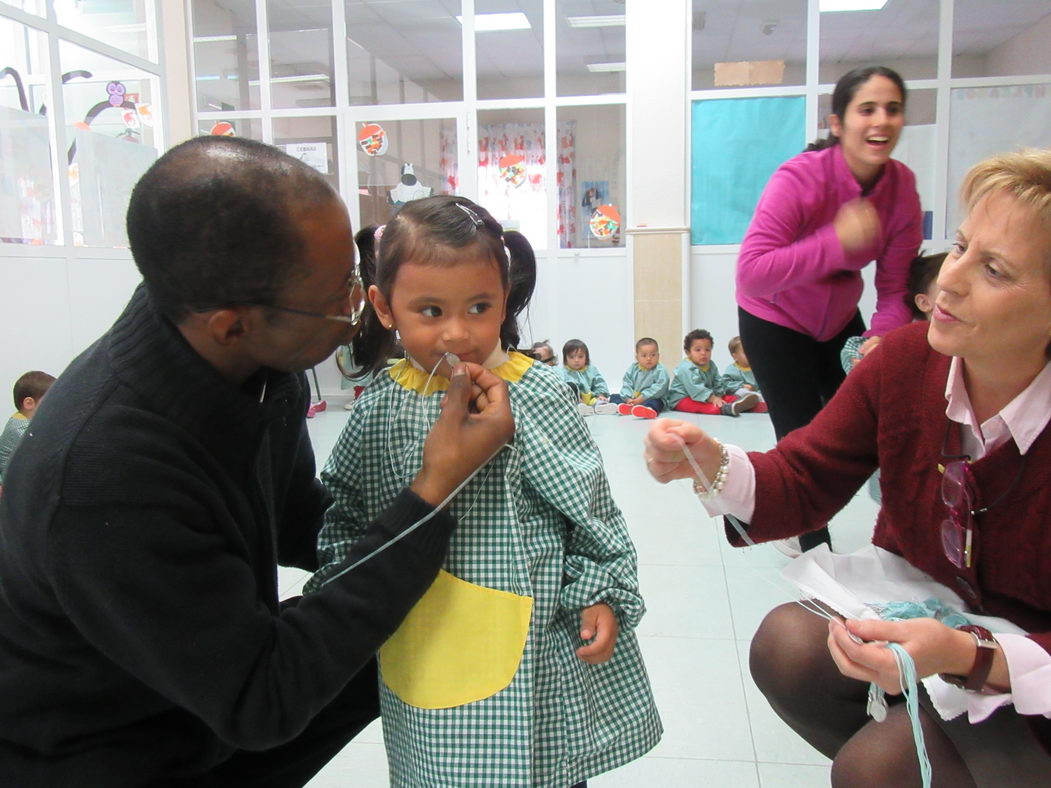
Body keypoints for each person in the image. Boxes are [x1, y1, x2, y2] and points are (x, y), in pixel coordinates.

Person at [0, 136, 514, 786]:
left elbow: (303, 517)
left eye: (356, 276)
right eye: (339, 297)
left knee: (422, 624)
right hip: (110, 751)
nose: (359, 311)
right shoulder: (104, 477)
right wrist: (434, 488)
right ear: (232, 323)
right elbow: (261, 701)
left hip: (210, 689)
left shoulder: (261, 364)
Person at [645, 149, 1051, 786]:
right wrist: (712, 460)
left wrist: (968, 656)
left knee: (875, 769)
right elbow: (807, 475)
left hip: (1033, 671)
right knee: (789, 645)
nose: (949, 279)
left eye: (995, 270)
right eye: (962, 246)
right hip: (940, 620)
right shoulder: (908, 360)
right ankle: (936, 752)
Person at [305, 195, 661, 787]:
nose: (458, 333)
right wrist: (341, 600)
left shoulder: (538, 394)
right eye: (430, 310)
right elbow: (345, 512)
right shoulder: (380, 408)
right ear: (384, 307)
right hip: (420, 638)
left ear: (504, 299)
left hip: (537, 642)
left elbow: (591, 511)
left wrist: (600, 591)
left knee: (543, 770)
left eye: (479, 306)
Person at [736, 65, 923, 553]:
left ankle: (910, 542)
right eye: (867, 109)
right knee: (801, 436)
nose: (881, 120)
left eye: (893, 109)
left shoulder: (901, 189)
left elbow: (896, 285)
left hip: (840, 322)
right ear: (838, 124)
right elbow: (752, 271)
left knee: (885, 423)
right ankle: (815, 553)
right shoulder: (800, 178)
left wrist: (880, 339)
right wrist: (835, 243)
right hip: (773, 319)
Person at [842, 251, 946, 371]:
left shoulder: (964, 336)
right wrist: (872, 357)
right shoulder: (904, 340)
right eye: (947, 290)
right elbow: (853, 348)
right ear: (924, 302)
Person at [667, 329, 760, 417]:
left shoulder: (711, 364)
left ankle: (740, 403)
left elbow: (717, 381)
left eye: (707, 349)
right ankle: (726, 408)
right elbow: (696, 388)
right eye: (698, 350)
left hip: (706, 395)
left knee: (728, 398)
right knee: (709, 407)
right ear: (688, 352)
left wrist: (720, 395)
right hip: (683, 398)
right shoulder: (686, 368)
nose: (703, 353)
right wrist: (713, 399)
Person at [0, 370, 55, 490]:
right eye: (51, 401)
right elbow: (45, 451)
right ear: (29, 403)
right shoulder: (19, 429)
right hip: (14, 487)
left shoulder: (23, 418)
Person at [609, 337, 670, 419]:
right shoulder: (633, 369)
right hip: (634, 399)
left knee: (656, 402)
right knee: (614, 396)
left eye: (653, 355)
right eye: (644, 356)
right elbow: (627, 383)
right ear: (637, 357)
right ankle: (625, 407)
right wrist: (628, 398)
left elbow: (660, 387)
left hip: (651, 398)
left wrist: (642, 397)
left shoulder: (660, 370)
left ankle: (648, 409)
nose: (649, 358)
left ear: (658, 356)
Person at [559, 338, 614, 414]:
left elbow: (599, 382)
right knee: (571, 390)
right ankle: (580, 408)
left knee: (601, 401)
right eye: (572, 357)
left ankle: (601, 407)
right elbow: (564, 389)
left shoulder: (591, 369)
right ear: (565, 359)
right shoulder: (563, 372)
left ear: (586, 357)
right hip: (575, 401)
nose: (576, 360)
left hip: (591, 398)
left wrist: (601, 395)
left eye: (580, 357)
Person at [721, 336, 767, 413]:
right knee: (742, 392)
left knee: (764, 395)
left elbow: (760, 384)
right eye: (745, 352)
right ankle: (743, 403)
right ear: (735, 356)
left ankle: (755, 405)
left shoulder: (755, 369)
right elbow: (725, 384)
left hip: (755, 393)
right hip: (739, 392)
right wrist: (741, 385)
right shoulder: (732, 369)